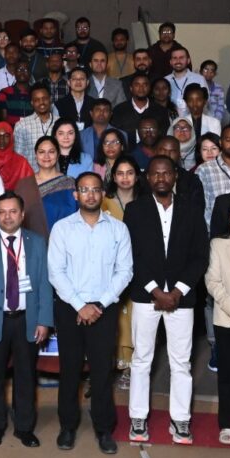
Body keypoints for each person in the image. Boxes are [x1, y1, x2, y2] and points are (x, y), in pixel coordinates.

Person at [124, 156, 208, 446]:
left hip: (181, 299)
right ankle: (138, 417)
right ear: (148, 178)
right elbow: (131, 254)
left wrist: (177, 291)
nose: (161, 178)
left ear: (175, 176)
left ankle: (181, 419)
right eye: (156, 174)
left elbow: (200, 256)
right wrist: (155, 291)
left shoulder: (192, 210)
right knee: (141, 359)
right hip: (146, 296)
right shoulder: (135, 210)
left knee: (181, 362)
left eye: (166, 173)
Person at [48, 172, 133, 454]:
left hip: (104, 309)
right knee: (69, 370)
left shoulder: (118, 229)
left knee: (102, 371)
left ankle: (104, 428)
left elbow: (125, 271)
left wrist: (100, 305)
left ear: (103, 194)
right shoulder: (62, 229)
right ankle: (68, 426)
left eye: (96, 189)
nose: (90, 194)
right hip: (69, 307)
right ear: (76, 195)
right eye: (84, 190)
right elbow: (55, 272)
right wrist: (79, 305)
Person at [0, 191, 53, 448]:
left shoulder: (37, 242)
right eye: (2, 212)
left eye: (13, 211)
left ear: (22, 214)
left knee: (26, 377)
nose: (7, 217)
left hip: (27, 319)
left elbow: (45, 283)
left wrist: (44, 320)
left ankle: (24, 427)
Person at [204, 197, 230, 445]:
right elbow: (212, 282)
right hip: (228, 320)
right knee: (229, 374)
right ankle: (228, 424)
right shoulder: (218, 244)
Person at [101, 156, 143, 388]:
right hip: (109, 267)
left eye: (130, 173)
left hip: (139, 266)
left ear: (137, 176)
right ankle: (107, 365)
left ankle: (130, 367)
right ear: (113, 177)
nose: (125, 178)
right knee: (114, 315)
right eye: (120, 173)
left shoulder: (146, 202)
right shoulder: (103, 202)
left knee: (134, 316)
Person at [197, 124, 230, 229]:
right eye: (228, 140)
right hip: (213, 232)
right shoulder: (204, 170)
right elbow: (200, 207)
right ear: (220, 142)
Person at [32, 136, 79, 232]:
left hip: (65, 236)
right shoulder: (25, 185)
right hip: (34, 238)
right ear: (35, 156)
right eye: (41, 152)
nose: (46, 156)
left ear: (58, 155)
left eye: (51, 152)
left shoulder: (69, 183)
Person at [0, 122, 33, 191]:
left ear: (11, 138)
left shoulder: (22, 163)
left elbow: (29, 190)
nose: (2, 140)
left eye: (6, 136)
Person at [13, 84, 56, 169]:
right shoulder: (21, 125)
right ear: (32, 103)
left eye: (44, 98)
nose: (41, 102)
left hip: (56, 175)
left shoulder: (59, 123)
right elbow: (18, 157)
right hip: (31, 175)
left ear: (50, 99)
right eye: (37, 100)